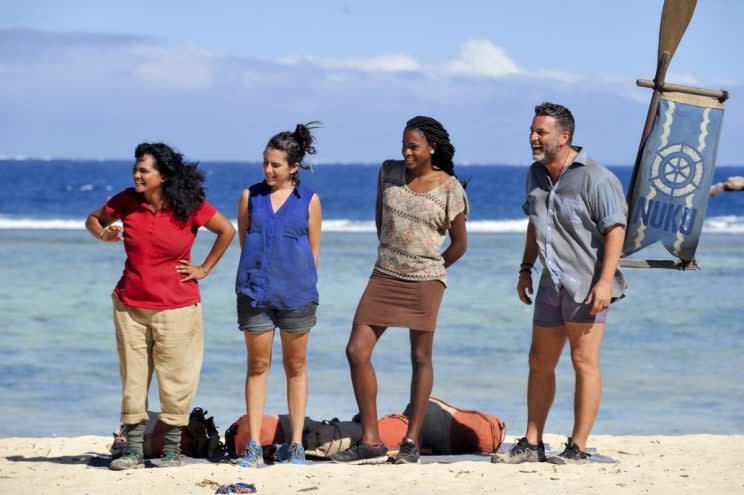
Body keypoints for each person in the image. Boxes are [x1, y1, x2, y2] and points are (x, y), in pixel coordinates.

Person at [86, 143, 235, 470]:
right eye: (136, 169)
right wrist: (103, 235)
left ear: (163, 175)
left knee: (176, 378)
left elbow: (227, 230)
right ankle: (133, 452)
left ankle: (171, 450)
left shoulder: (189, 205)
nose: (136, 174)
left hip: (178, 307)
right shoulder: (126, 201)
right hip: (130, 306)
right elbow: (93, 220)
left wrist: (204, 269)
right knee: (134, 378)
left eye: (144, 170)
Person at [493, 102, 627, 465]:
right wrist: (525, 268)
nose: (533, 138)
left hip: (586, 285)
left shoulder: (596, 177)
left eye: (541, 132)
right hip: (551, 284)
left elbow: (616, 229)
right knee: (538, 361)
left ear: (564, 137)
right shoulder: (535, 174)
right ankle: (533, 442)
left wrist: (603, 282)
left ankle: (578, 447)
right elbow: (536, 223)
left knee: (583, 362)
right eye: (533, 131)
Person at [331, 116, 468, 465]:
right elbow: (382, 222)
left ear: (431, 148)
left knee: (420, 358)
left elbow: (460, 245)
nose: (406, 152)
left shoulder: (450, 188)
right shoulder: (388, 172)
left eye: (413, 147)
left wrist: (430, 271)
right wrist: (396, 258)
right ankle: (372, 440)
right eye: (404, 145)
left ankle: (411, 441)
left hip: (426, 282)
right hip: (384, 275)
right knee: (356, 350)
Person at [235, 124, 322, 467]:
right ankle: (254, 444)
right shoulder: (250, 196)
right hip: (255, 294)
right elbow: (247, 240)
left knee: (295, 366)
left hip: (297, 296)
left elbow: (313, 251)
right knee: (257, 366)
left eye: (276, 165)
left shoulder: (310, 200)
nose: (268, 170)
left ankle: (296, 444)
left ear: (293, 167)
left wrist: (293, 279)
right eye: (265, 163)